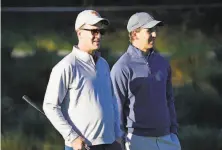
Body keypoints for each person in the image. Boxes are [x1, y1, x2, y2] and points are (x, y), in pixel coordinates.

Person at [43, 10, 123, 150]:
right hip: (82, 146)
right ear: (79, 33)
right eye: (93, 31)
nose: (98, 36)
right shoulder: (66, 66)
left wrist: (117, 134)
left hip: (110, 143)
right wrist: (72, 137)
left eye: (101, 32)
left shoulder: (103, 64)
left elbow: (112, 102)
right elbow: (50, 106)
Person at [110, 12, 181, 150]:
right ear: (135, 34)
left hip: (168, 139)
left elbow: (169, 99)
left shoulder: (162, 63)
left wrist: (173, 131)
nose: (154, 35)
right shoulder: (122, 67)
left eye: (155, 30)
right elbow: (115, 107)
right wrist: (119, 140)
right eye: (149, 31)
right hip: (138, 140)